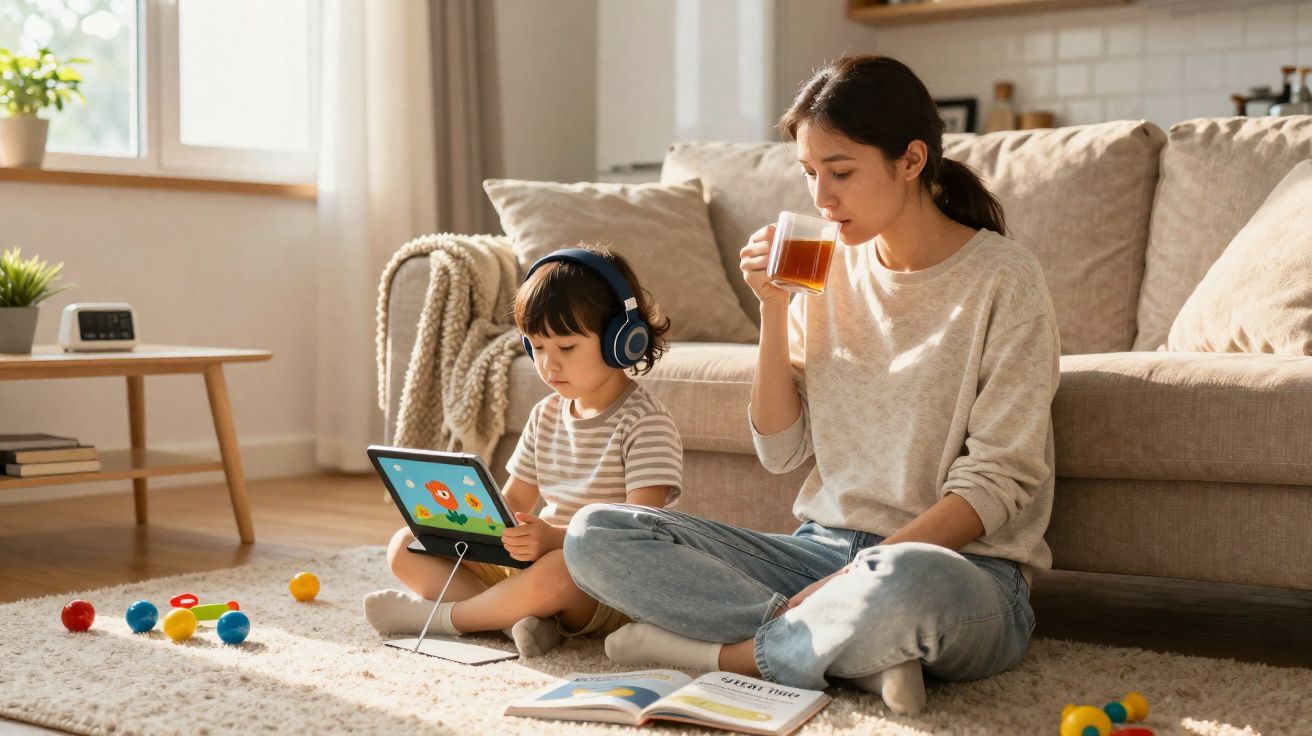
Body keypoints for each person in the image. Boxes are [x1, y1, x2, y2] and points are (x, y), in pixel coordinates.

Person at [562, 55, 1060, 716]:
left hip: (960, 570)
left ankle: (728, 656)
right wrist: (772, 308)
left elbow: (999, 480)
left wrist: (862, 577)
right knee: (595, 533)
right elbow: (780, 449)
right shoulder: (824, 267)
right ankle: (849, 654)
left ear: (911, 160)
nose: (821, 199)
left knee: (906, 582)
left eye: (842, 173)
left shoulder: (1005, 279)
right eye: (809, 174)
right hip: (815, 552)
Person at [364, 245, 683, 658]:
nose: (549, 366)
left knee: (557, 570)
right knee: (406, 545)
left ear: (621, 340)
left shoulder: (646, 423)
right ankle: (520, 622)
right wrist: (470, 526)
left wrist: (552, 538)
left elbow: (639, 533)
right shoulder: (546, 413)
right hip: (539, 564)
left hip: (604, 579)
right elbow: (514, 501)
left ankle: (445, 620)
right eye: (537, 347)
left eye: (566, 348)